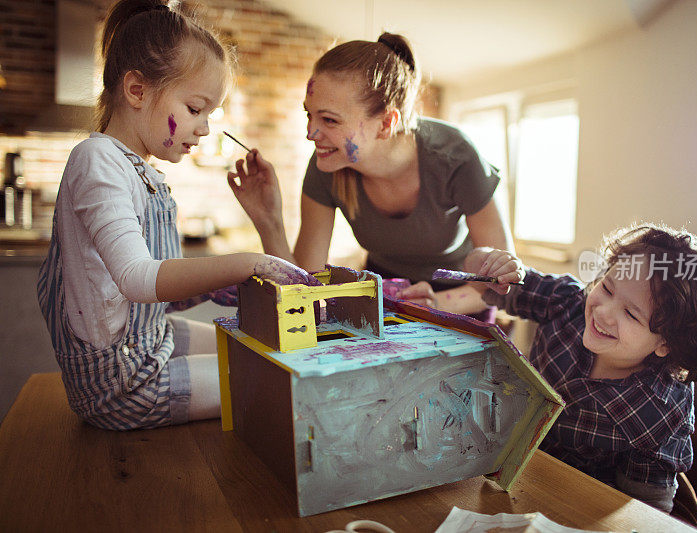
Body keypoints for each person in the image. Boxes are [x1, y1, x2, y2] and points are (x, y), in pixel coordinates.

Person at [37, 0, 317, 431]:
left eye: (210, 114)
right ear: (136, 90)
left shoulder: (141, 170)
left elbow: (136, 294)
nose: (205, 129)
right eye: (195, 109)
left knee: (273, 344)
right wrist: (245, 264)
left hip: (150, 343)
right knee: (284, 377)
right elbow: (136, 277)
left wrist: (218, 283)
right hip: (124, 383)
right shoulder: (97, 161)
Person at [456, 224, 697, 512]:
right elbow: (480, 278)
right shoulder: (567, 302)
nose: (603, 311)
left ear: (666, 344)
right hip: (505, 469)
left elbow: (646, 512)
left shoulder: (662, 410)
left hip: (580, 509)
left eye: (630, 314)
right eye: (606, 288)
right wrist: (491, 263)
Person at [228, 33, 513, 317]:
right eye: (309, 115)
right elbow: (306, 292)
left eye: (329, 120)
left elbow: (503, 282)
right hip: (386, 294)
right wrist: (269, 222)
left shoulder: (455, 156)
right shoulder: (327, 166)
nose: (310, 134)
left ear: (386, 123)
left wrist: (433, 305)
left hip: (463, 299)